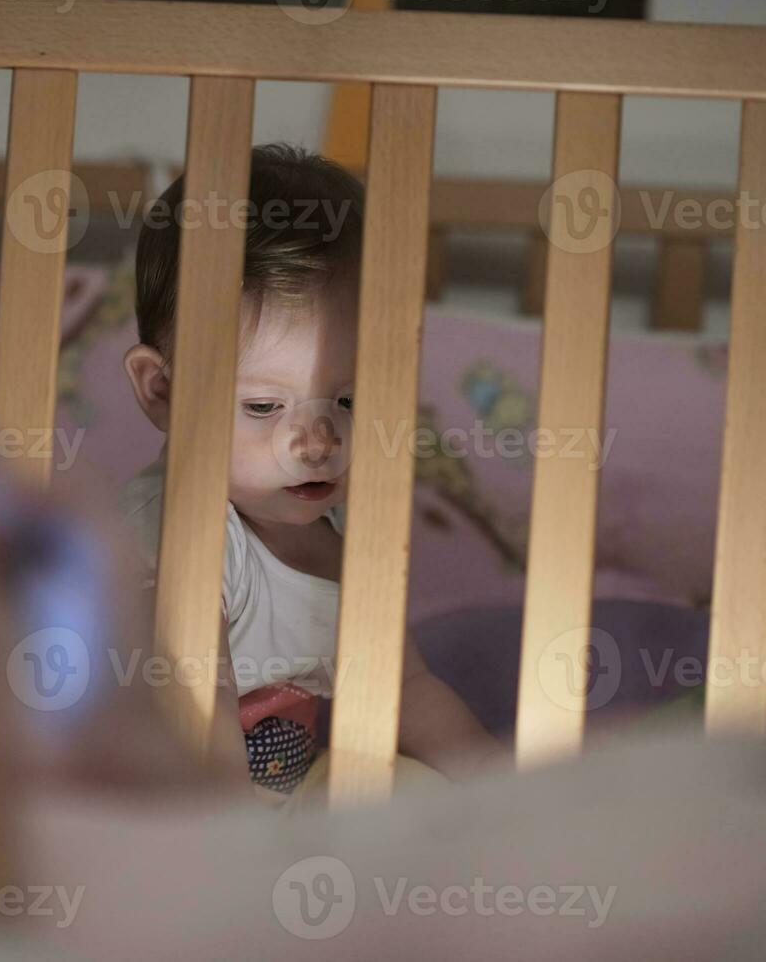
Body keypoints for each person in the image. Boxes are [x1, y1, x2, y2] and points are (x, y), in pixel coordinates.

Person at [119, 144, 505, 797]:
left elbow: (402, 691)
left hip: (272, 811)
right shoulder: (184, 533)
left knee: (408, 790)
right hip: (152, 805)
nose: (319, 440)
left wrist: (503, 792)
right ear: (161, 391)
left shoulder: (342, 527)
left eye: (350, 400)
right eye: (265, 406)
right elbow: (187, 710)